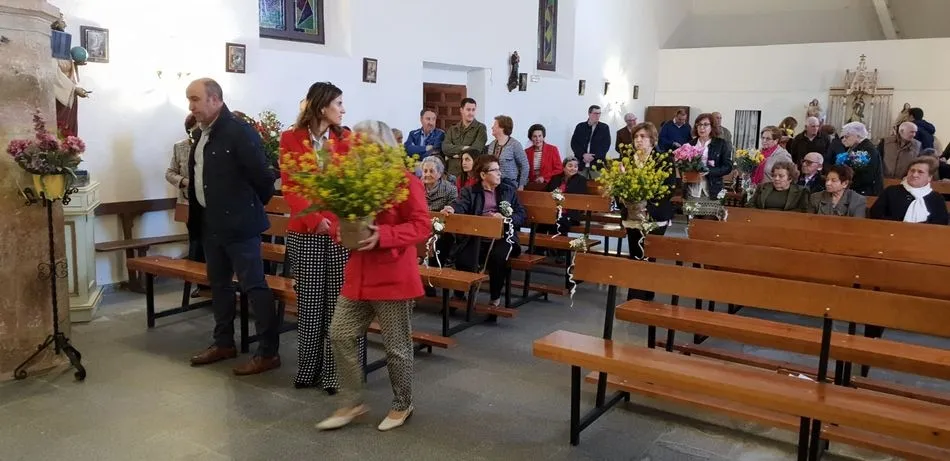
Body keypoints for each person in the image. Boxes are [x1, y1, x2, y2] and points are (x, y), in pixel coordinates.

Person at [317, 120, 430, 432]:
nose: (358, 150)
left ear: (382, 147)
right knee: (339, 333)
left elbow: (422, 225)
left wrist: (384, 234)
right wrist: (343, 231)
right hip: (359, 275)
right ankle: (351, 402)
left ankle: (402, 403)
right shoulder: (353, 181)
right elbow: (340, 219)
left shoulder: (405, 181)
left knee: (396, 347)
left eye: (365, 145)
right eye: (357, 145)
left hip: (393, 275)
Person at [184, 78, 280, 375]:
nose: (191, 106)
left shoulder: (239, 132)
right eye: (190, 100)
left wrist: (246, 210)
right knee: (219, 285)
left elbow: (263, 178)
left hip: (240, 226)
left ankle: (268, 352)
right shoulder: (202, 135)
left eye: (196, 99)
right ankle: (223, 342)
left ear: (214, 99)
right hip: (210, 223)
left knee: (254, 286)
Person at [279, 82, 363, 392]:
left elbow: (352, 186)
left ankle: (333, 373)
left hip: (339, 232)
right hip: (306, 232)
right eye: (339, 103)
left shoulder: (347, 139)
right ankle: (307, 367)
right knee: (311, 302)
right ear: (321, 106)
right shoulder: (291, 138)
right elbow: (290, 187)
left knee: (337, 305)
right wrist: (316, 220)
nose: (343, 109)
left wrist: (333, 221)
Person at [443, 155, 526, 308]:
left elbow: (521, 215)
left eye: (499, 170)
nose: (499, 173)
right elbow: (461, 205)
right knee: (463, 257)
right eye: (495, 170)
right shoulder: (471, 191)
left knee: (498, 258)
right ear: (483, 175)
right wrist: (452, 208)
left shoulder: (507, 190)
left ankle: (495, 297)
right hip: (477, 236)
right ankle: (459, 294)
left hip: (503, 237)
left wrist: (506, 219)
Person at [619, 122, 674, 301]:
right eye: (636, 137)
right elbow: (621, 187)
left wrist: (647, 202)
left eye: (643, 136)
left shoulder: (663, 159)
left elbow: (669, 187)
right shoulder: (628, 159)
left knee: (649, 254)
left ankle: (645, 295)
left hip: (655, 214)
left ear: (652, 139)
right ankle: (636, 296)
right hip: (633, 215)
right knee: (635, 254)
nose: (638, 140)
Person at [165, 114, 204, 297]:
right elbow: (170, 172)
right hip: (188, 202)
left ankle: (210, 282)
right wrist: (184, 181)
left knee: (208, 244)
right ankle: (198, 283)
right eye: (193, 129)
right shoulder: (179, 146)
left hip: (207, 203)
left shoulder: (208, 145)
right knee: (195, 242)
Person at [869, 156, 949, 224]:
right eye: (912, 170)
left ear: (929, 177)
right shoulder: (891, 191)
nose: (914, 175)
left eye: (920, 172)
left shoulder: (936, 198)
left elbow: (941, 223)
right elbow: (875, 215)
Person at [684, 113, 733, 199]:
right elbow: (683, 166)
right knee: (691, 212)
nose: (702, 127)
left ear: (712, 127)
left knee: (711, 212)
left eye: (706, 124)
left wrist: (709, 171)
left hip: (712, 190)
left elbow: (727, 167)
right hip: (692, 190)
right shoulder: (690, 144)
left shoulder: (720, 144)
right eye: (699, 124)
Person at [441, 98, 487, 177]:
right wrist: (464, 148)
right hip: (452, 173)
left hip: (470, 174)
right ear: (461, 110)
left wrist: (452, 155)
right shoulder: (453, 129)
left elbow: (475, 150)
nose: (471, 113)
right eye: (468, 110)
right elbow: (445, 148)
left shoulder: (480, 128)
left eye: (473, 110)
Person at [839, 121, 884, 196]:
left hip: (865, 192)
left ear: (858, 136)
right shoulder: (858, 147)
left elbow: (863, 176)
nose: (843, 140)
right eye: (843, 137)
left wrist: (844, 183)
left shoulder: (865, 150)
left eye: (847, 136)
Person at [544, 157, 587, 235]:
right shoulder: (556, 178)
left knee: (559, 222)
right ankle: (539, 246)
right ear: (564, 167)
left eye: (575, 166)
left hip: (570, 213)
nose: (573, 168)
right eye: (570, 166)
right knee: (541, 221)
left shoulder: (581, 180)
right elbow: (547, 193)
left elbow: (579, 197)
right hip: (553, 211)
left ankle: (559, 247)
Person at [485, 115, 528, 189]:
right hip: (493, 185)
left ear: (502, 127)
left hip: (509, 186)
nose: (492, 127)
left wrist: (521, 185)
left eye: (495, 125)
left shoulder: (515, 145)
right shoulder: (492, 145)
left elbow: (525, 165)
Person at [570, 105, 611, 175]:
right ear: (589, 113)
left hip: (597, 163)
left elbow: (605, 145)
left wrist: (593, 157)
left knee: (597, 185)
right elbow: (574, 143)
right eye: (595, 113)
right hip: (581, 162)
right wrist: (583, 155)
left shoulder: (604, 128)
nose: (598, 116)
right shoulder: (580, 126)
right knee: (580, 184)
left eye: (599, 113)